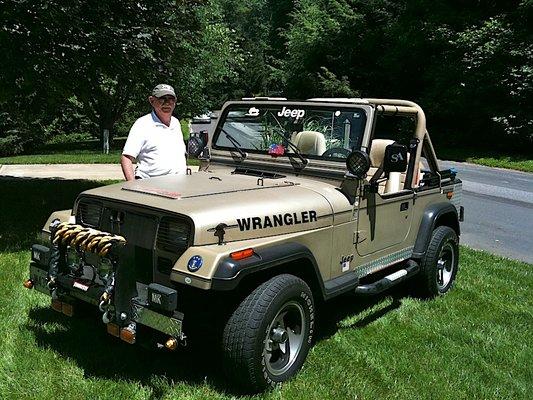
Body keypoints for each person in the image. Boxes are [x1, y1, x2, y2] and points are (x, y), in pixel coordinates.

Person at [121, 84, 187, 180]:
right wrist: (132, 185)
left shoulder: (176, 123)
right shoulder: (143, 124)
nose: (167, 103)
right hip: (150, 186)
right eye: (162, 98)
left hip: (179, 185)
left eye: (171, 99)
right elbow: (126, 158)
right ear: (152, 101)